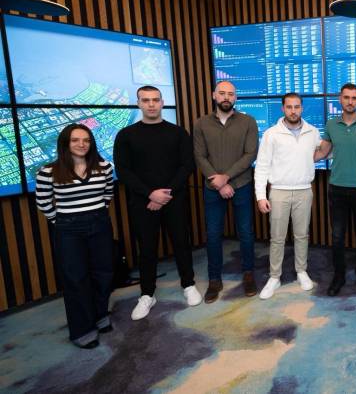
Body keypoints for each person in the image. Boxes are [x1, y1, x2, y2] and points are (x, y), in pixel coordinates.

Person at [114, 85, 201, 320]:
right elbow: (123, 171)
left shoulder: (178, 133)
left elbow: (187, 165)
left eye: (155, 100)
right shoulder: (126, 135)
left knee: (181, 243)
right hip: (143, 202)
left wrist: (164, 194)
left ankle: (188, 284)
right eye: (146, 100)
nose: (151, 104)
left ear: (162, 102)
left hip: (174, 199)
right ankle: (147, 294)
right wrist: (150, 194)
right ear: (138, 103)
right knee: (147, 249)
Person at [36, 124, 114, 349]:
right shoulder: (48, 171)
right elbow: (43, 201)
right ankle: (83, 330)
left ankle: (100, 315)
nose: (81, 144)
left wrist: (97, 213)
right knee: (76, 279)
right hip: (68, 229)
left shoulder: (104, 167)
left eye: (86, 140)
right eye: (75, 140)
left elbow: (108, 193)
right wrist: (60, 221)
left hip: (100, 223)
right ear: (65, 143)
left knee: (104, 273)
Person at [193, 80, 259, 303]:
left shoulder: (248, 122)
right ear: (214, 95)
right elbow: (199, 156)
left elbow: (250, 154)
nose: (226, 97)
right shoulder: (201, 124)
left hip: (241, 185)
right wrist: (219, 182)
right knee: (213, 234)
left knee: (246, 232)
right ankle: (214, 279)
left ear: (235, 98)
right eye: (222, 93)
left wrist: (226, 177)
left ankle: (248, 274)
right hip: (213, 187)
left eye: (230, 94)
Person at [315, 83, 356, 297]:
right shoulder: (331, 125)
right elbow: (322, 152)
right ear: (340, 100)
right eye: (346, 97)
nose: (350, 102)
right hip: (337, 190)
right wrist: (296, 156)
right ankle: (339, 276)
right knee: (337, 237)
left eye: (354, 98)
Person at [255, 93, 321, 299]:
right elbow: (262, 165)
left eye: (297, 107)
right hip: (279, 191)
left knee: (302, 235)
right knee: (277, 237)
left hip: (304, 190)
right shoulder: (271, 134)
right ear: (283, 108)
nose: (293, 111)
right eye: (289, 107)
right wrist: (260, 196)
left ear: (302, 108)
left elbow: (322, 152)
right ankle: (274, 276)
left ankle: (301, 271)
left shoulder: (313, 132)